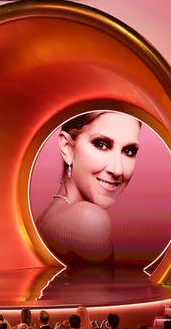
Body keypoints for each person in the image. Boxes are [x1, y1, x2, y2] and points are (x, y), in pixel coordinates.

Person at [35, 111, 141, 264]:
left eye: (129, 151)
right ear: (67, 147)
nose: (118, 169)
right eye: (101, 144)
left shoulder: (47, 218)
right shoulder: (89, 220)